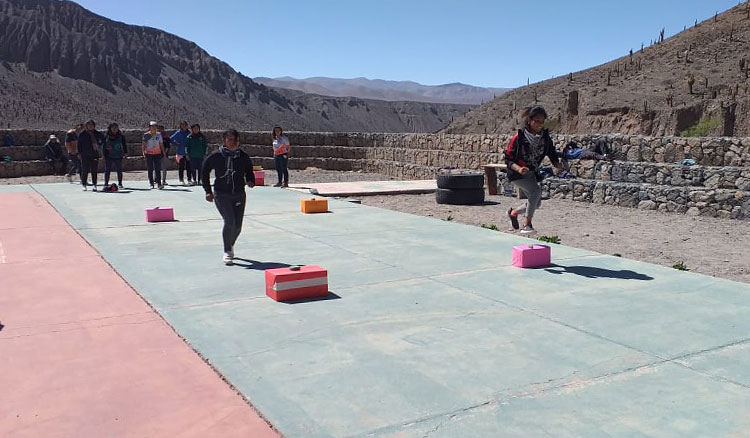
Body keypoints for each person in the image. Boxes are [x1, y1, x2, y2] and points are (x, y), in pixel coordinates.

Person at [504, 105, 562, 234]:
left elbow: (551, 152)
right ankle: (527, 224)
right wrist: (519, 169)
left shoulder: (545, 138)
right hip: (516, 174)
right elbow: (508, 159)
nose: (540, 125)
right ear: (529, 120)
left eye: (542, 122)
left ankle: (513, 213)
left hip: (532, 173)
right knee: (535, 192)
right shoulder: (518, 137)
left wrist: (556, 163)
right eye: (537, 121)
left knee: (536, 203)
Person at [202, 129, 256, 265]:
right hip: (221, 194)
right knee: (230, 221)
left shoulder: (242, 156)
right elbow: (204, 172)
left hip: (238, 194)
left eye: (236, 140)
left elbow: (249, 170)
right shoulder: (216, 156)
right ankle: (227, 251)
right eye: (231, 139)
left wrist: (250, 180)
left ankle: (230, 244)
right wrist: (208, 191)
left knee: (237, 226)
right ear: (224, 140)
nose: (234, 143)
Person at [77, 120, 104, 191]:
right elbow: (79, 144)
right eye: (89, 125)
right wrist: (79, 153)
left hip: (94, 154)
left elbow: (103, 140)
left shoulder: (98, 133)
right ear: (86, 126)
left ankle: (94, 184)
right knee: (85, 170)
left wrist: (98, 143)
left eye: (92, 125)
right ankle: (84, 184)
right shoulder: (82, 134)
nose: (90, 126)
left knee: (94, 170)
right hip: (85, 154)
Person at [102, 123, 127, 188]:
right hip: (108, 155)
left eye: (116, 128)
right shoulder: (106, 136)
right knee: (107, 170)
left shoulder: (121, 136)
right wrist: (103, 154)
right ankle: (106, 183)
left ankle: (120, 183)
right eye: (113, 128)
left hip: (118, 155)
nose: (114, 129)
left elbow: (124, 145)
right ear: (110, 128)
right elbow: (103, 146)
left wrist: (125, 153)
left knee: (119, 170)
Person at [142, 121, 164, 189]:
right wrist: (143, 152)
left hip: (157, 153)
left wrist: (163, 152)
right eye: (152, 127)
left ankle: (159, 183)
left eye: (155, 126)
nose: (154, 128)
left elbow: (161, 144)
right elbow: (144, 145)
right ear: (149, 127)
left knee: (158, 169)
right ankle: (151, 183)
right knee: (150, 169)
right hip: (149, 154)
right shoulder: (146, 135)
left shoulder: (159, 135)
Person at [170, 121, 191, 185]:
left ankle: (189, 179)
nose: (184, 126)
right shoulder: (178, 133)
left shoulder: (189, 133)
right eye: (182, 125)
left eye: (185, 125)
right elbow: (171, 139)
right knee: (181, 167)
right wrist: (176, 144)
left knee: (189, 166)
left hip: (188, 153)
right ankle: (181, 179)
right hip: (180, 153)